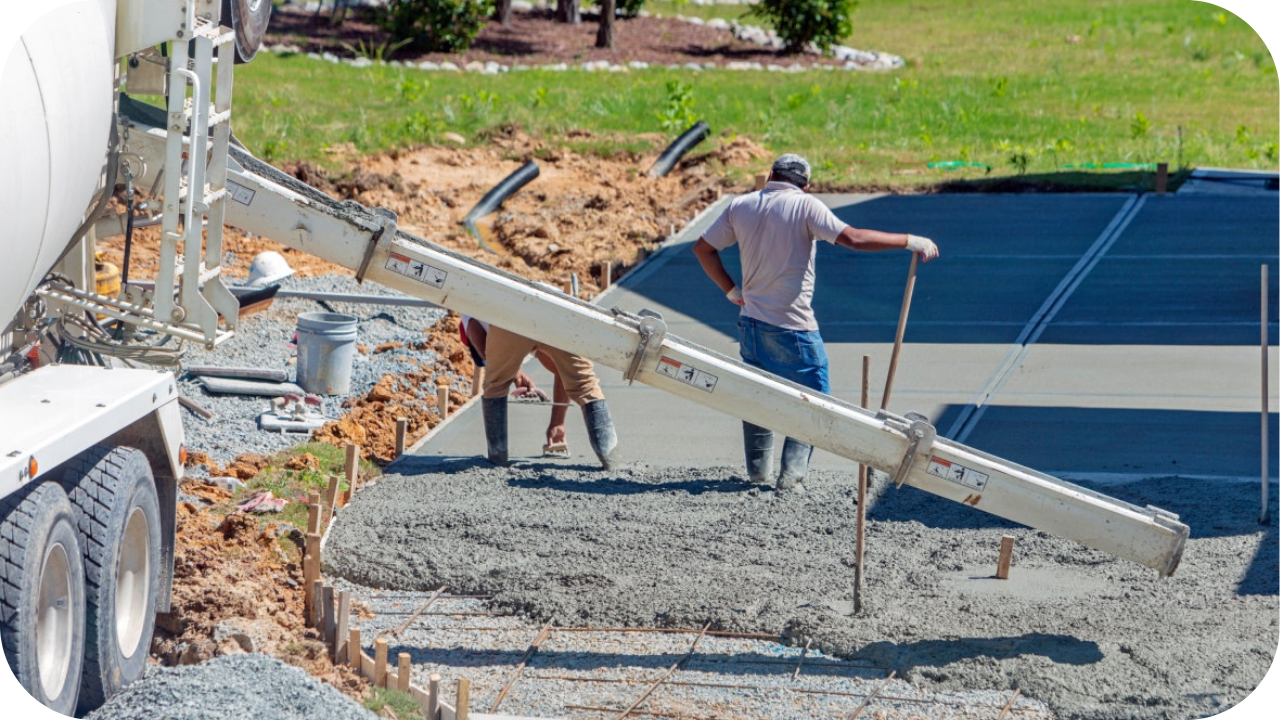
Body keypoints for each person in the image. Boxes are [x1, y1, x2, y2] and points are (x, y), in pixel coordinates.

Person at [692, 153, 939, 493]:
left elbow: (703, 249)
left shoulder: (741, 205)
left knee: (756, 397)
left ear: (770, 176)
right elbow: (852, 238)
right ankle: (790, 480)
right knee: (814, 402)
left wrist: (731, 290)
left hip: (750, 323)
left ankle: (757, 474)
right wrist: (908, 240)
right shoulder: (806, 207)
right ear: (806, 185)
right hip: (794, 327)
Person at [460, 314, 618, 469]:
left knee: (495, 386)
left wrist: (511, 373)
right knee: (585, 385)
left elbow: (483, 347)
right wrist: (558, 422)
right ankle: (612, 459)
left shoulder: (468, 306)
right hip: (556, 313)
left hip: (508, 316)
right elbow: (561, 369)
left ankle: (497, 458)